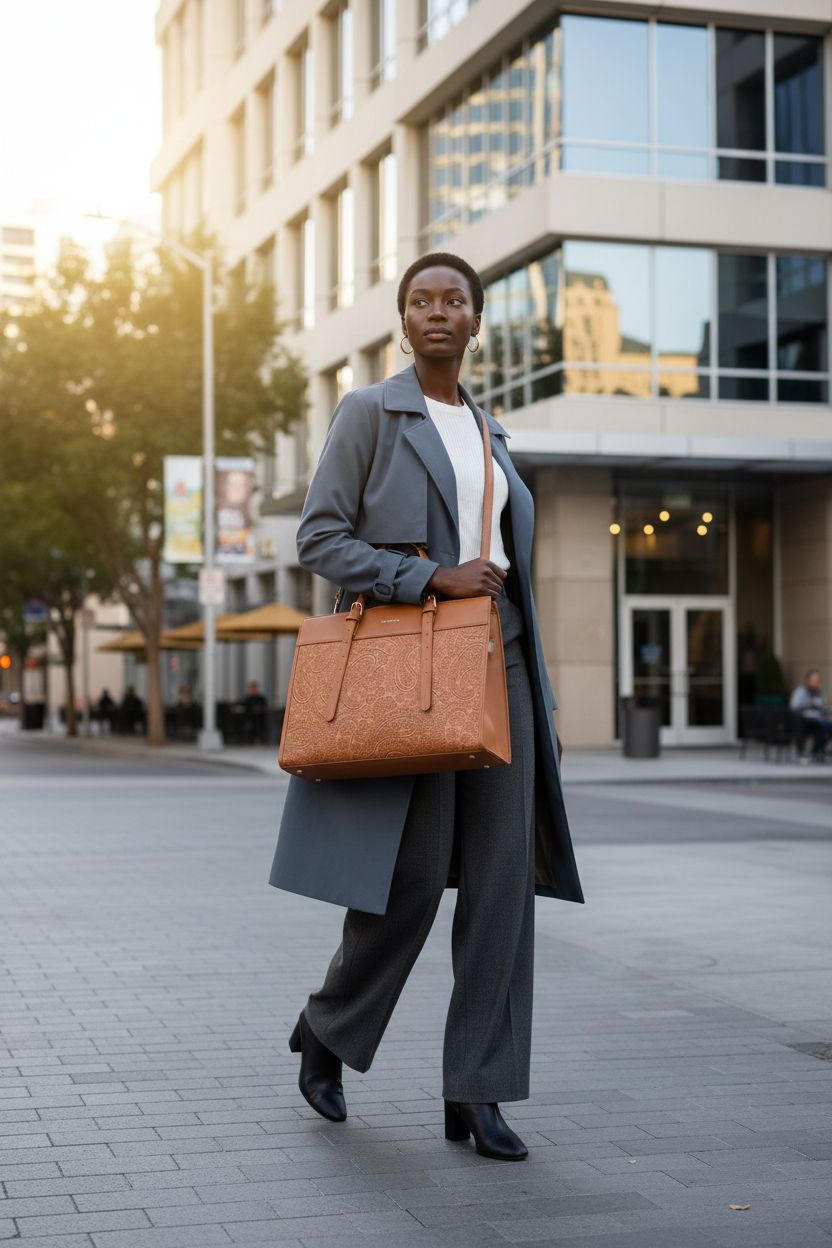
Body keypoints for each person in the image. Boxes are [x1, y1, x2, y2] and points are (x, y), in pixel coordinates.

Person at [269, 251, 584, 1163]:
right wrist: (426, 578)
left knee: (500, 891)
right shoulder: (372, 413)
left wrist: (546, 700)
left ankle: (476, 1093)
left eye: (454, 300)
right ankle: (327, 1030)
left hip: (505, 670)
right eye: (420, 301)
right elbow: (320, 537)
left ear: (477, 322)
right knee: (408, 881)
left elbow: (514, 576)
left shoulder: (493, 434)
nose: (437, 312)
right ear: (404, 322)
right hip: (415, 664)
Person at [789, 670, 832, 762]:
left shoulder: (820, 693)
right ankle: (806, 752)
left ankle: (816, 751)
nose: (816, 683)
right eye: (813, 680)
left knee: (827, 727)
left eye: (817, 680)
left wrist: (826, 710)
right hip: (803, 721)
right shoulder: (800, 691)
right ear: (808, 680)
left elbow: (823, 708)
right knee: (818, 726)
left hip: (817, 720)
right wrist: (808, 705)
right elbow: (794, 706)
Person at [242, 680, 268, 744]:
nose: (253, 690)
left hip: (260, 717)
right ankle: (250, 740)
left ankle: (262, 740)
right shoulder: (248, 699)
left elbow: (264, 706)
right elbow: (246, 708)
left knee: (261, 727)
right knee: (251, 727)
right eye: (252, 688)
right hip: (251, 717)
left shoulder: (261, 698)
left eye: (255, 688)